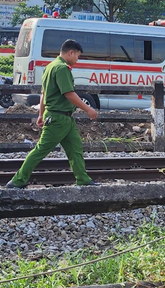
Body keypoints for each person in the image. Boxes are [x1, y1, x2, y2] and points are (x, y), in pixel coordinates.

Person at [7, 39, 99, 188]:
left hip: (64, 118)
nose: (77, 59)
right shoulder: (62, 68)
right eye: (77, 56)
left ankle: (83, 179)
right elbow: (69, 93)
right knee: (41, 150)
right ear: (71, 52)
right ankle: (17, 180)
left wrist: (41, 114)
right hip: (59, 118)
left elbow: (43, 94)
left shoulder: (50, 67)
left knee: (75, 149)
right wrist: (88, 109)